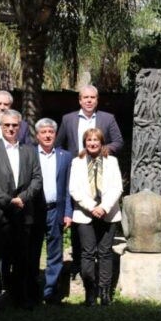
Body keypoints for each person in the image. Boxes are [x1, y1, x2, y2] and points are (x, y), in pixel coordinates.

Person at [56, 84, 124, 278]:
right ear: (79, 100)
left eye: (92, 97)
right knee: (80, 219)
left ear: (97, 100)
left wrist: (101, 151)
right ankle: (78, 265)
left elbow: (118, 141)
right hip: (77, 171)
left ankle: (98, 276)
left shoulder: (107, 118)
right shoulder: (67, 119)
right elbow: (60, 144)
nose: (88, 100)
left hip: (101, 169)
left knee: (99, 224)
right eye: (85, 97)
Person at [0, 109, 43, 313]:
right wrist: (8, 201)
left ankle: (20, 298)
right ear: (0, 126)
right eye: (6, 125)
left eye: (14, 125)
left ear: (20, 126)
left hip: (22, 213)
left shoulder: (29, 150)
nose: (11, 128)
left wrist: (22, 199)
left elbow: (37, 178)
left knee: (21, 259)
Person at [69, 128, 123, 306]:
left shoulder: (112, 161)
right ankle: (89, 293)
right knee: (88, 253)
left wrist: (104, 207)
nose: (92, 143)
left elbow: (117, 187)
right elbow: (74, 189)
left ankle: (105, 293)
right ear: (85, 142)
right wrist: (93, 207)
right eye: (89, 140)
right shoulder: (77, 162)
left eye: (96, 140)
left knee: (105, 253)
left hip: (108, 213)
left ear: (102, 142)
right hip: (85, 214)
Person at [30, 118, 73, 304]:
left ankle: (50, 291)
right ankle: (31, 291)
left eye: (51, 132)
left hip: (56, 210)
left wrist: (68, 213)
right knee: (32, 251)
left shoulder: (65, 156)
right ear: (37, 135)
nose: (47, 135)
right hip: (34, 210)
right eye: (43, 132)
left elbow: (69, 188)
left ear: (55, 135)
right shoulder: (29, 154)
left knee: (55, 253)